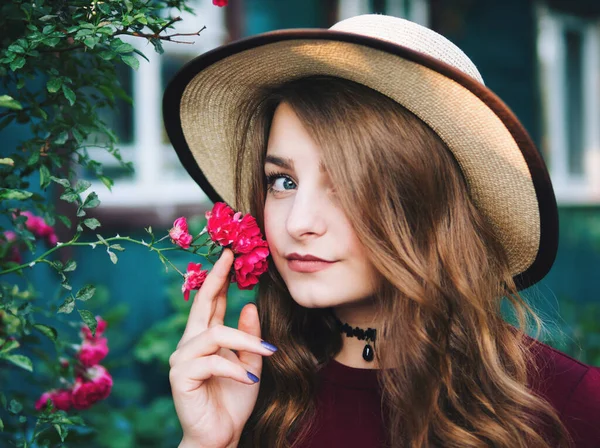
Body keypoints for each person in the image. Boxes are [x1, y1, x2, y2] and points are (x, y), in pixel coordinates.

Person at [162, 14, 600, 448]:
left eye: (346, 186)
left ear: (428, 202)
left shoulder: (569, 406)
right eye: (283, 182)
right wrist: (206, 442)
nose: (298, 223)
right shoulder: (248, 393)